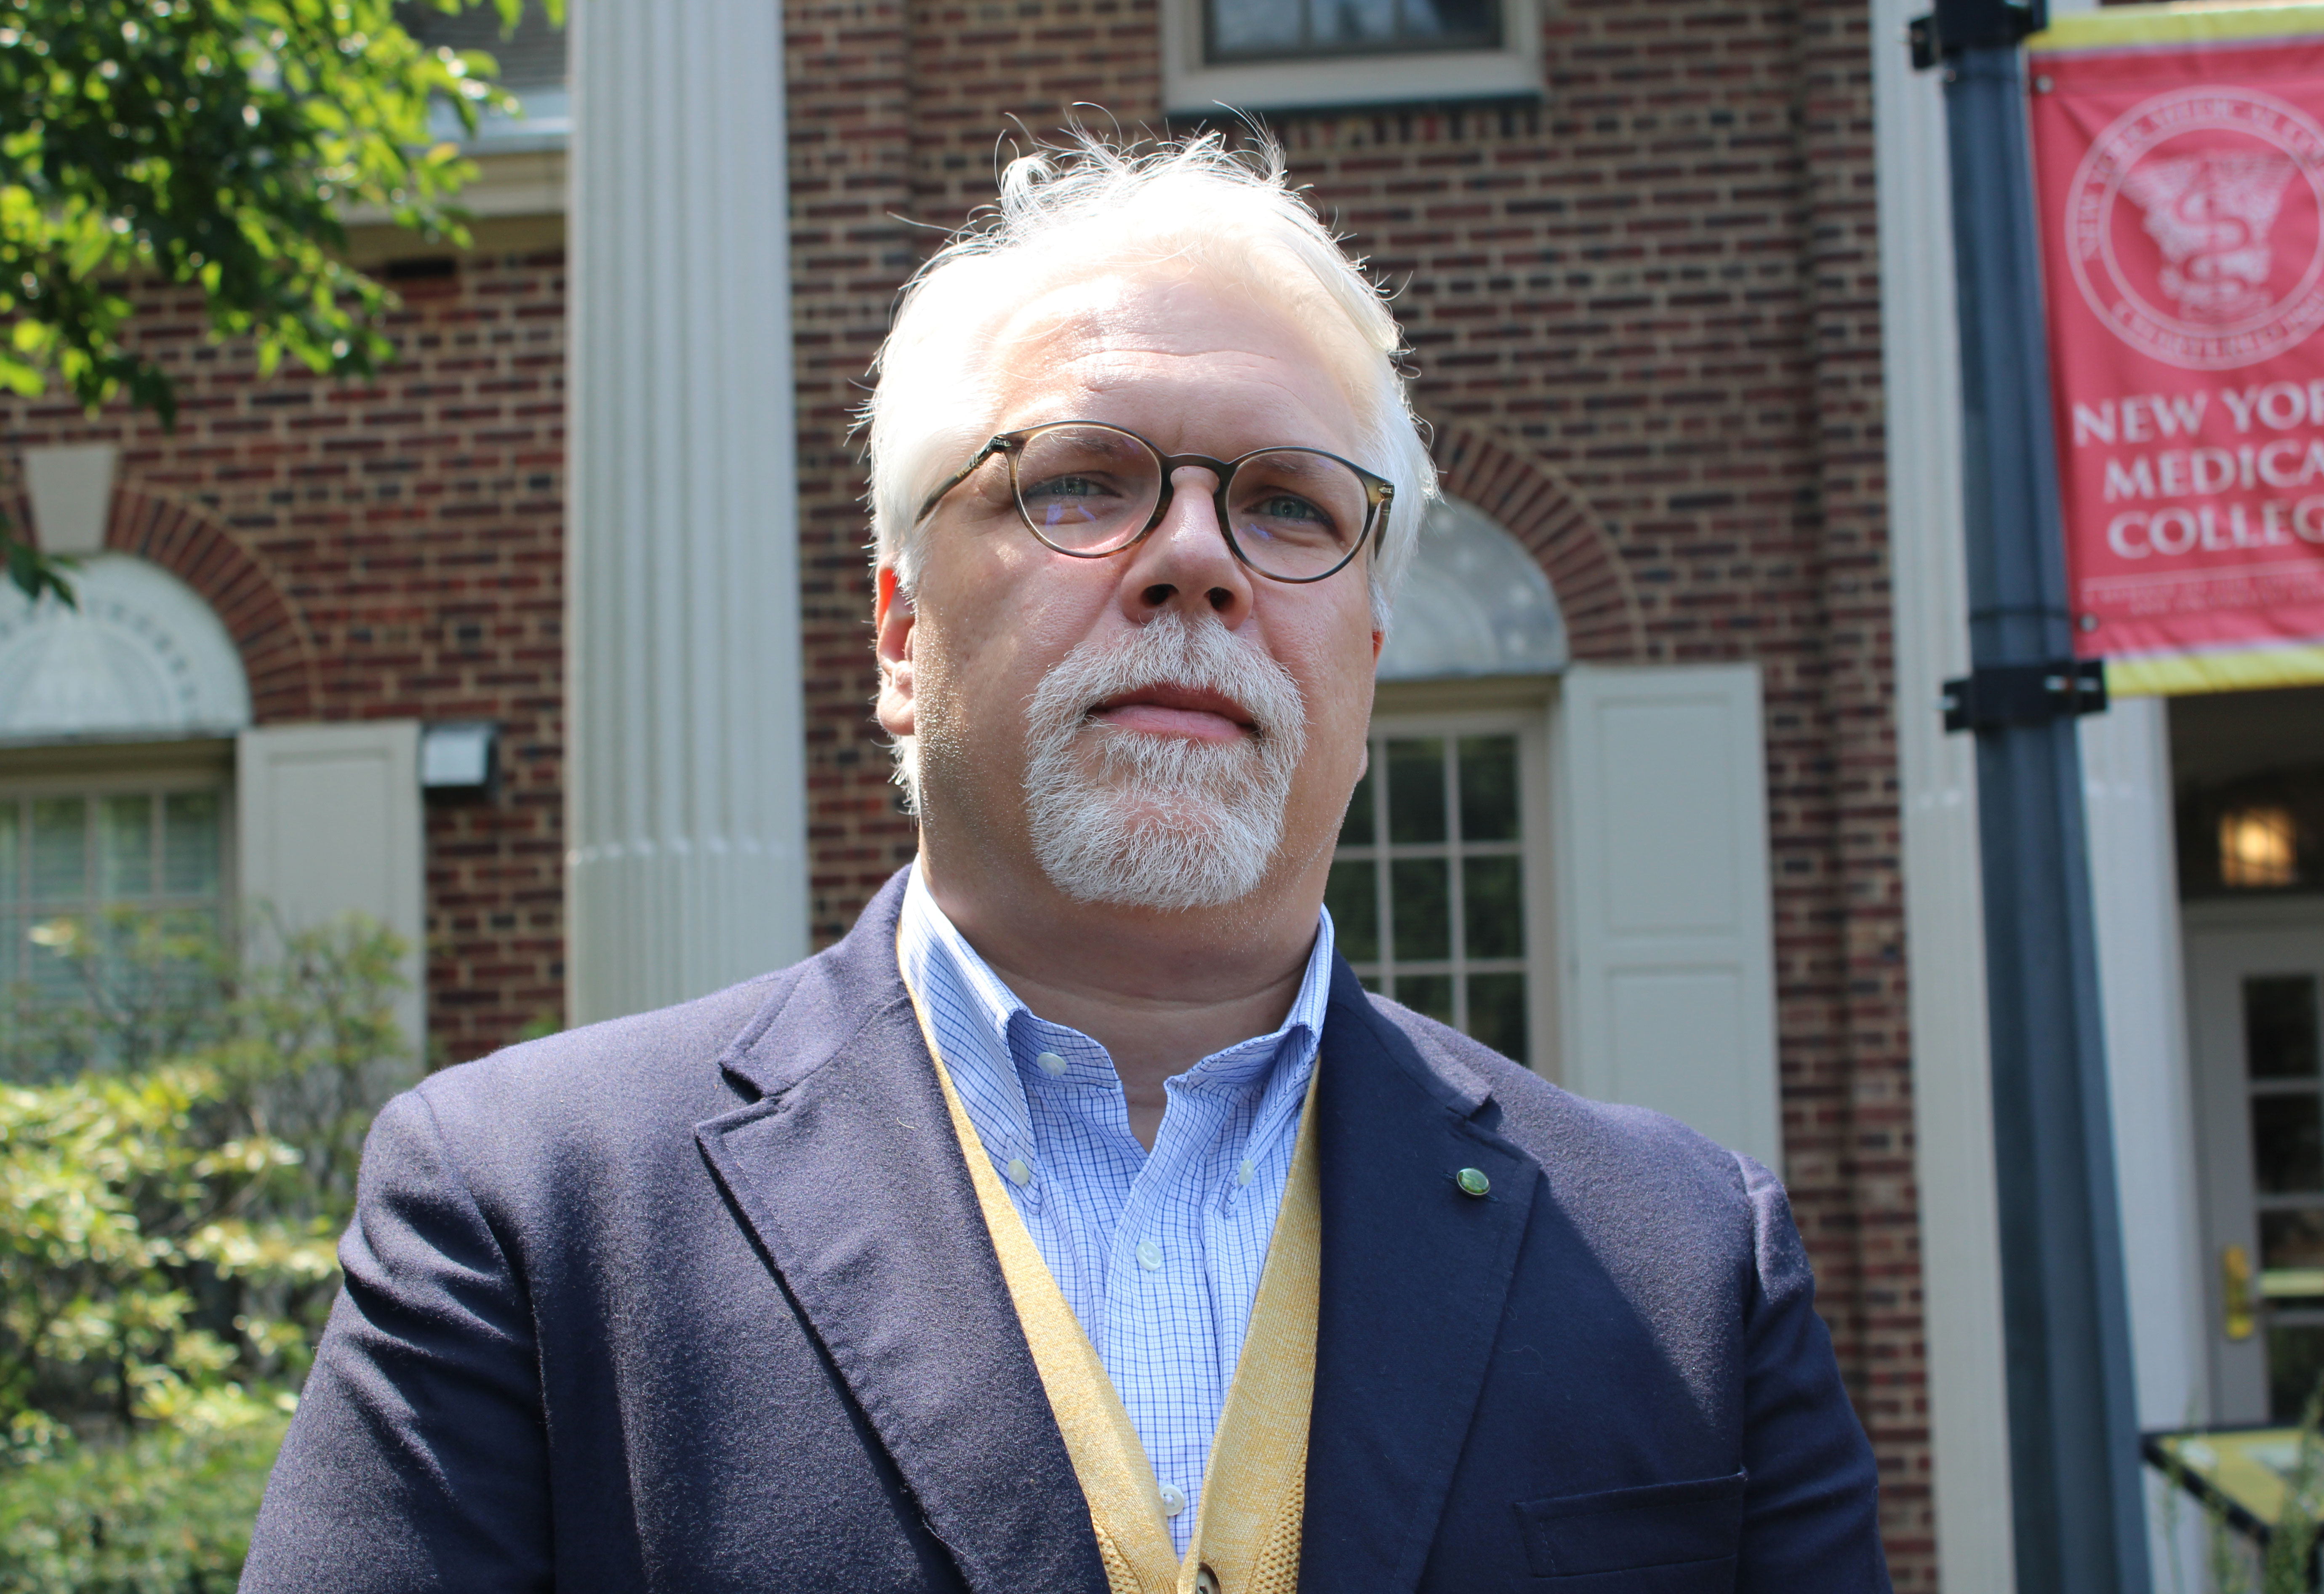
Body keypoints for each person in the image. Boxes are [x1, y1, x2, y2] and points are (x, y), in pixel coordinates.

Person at [242, 134, 1889, 1593]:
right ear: (900, 634)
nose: (1194, 558)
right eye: (1083, 480)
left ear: (1368, 653)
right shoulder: (530, 1220)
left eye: (1293, 506)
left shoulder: (1688, 1261)